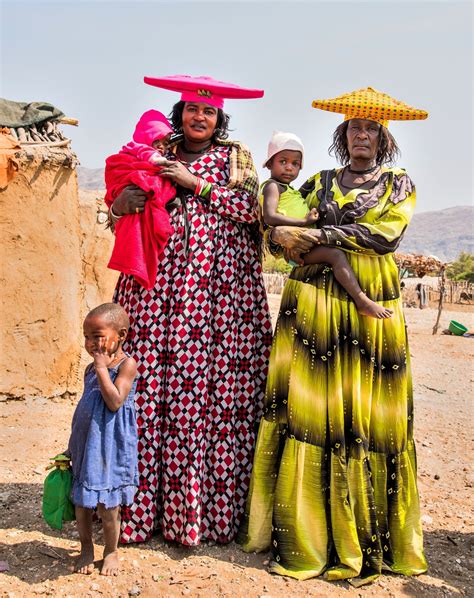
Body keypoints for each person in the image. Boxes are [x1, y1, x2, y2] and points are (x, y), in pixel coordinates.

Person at [238, 87, 429, 585]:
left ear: (383, 139)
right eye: (353, 127)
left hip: (371, 305)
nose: (361, 134)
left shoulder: (398, 183)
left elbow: (384, 236)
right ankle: (305, 534)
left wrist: (319, 235)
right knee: (309, 409)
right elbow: (278, 236)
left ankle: (367, 539)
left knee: (366, 409)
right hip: (312, 307)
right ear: (343, 136)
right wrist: (293, 236)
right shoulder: (317, 181)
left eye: (370, 128)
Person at [108, 75, 273, 546]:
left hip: (220, 300)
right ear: (180, 112)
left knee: (213, 397)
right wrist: (119, 206)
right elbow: (119, 205)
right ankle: (137, 514)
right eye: (191, 110)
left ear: (220, 118)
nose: (198, 118)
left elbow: (250, 210)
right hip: (157, 290)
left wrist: (194, 184)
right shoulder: (155, 149)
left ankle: (206, 516)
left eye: (209, 113)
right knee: (148, 389)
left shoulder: (236, 156)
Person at [262, 130, 393, 318]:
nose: (289, 168)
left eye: (295, 163)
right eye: (283, 162)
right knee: (335, 254)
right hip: (305, 266)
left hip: (369, 280)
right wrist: (292, 231)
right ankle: (361, 300)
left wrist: (316, 232)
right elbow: (269, 220)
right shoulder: (302, 184)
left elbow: (388, 236)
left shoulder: (394, 182)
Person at [67, 303, 138, 576]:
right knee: (82, 502)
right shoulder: (89, 370)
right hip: (86, 444)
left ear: (121, 335)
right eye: (86, 336)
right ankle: (86, 547)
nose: (90, 343)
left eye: (97, 336)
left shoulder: (126, 365)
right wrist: (72, 445)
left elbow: (115, 401)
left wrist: (100, 368)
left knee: (108, 508)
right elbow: (85, 409)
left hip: (110, 448)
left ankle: (111, 550)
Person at [105, 110, 176, 290]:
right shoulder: (140, 152)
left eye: (165, 143)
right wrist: (117, 209)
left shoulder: (171, 156)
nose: (162, 147)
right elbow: (115, 207)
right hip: (147, 284)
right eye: (157, 141)